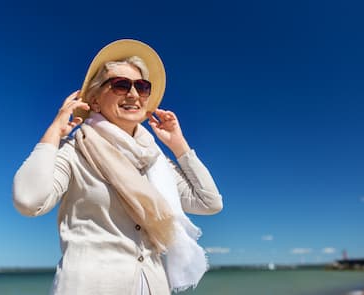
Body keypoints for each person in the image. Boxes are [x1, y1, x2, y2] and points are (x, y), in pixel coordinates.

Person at [13, 39, 223, 295]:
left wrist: (179, 145)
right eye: (121, 85)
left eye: (142, 86)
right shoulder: (75, 150)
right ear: (96, 101)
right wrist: (54, 133)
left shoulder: (155, 160)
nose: (133, 94)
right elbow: (29, 200)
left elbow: (209, 202)